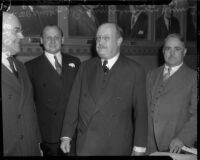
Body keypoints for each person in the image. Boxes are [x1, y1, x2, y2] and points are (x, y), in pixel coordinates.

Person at [60, 23, 148, 156]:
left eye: (106, 38)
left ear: (119, 41)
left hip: (116, 146)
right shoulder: (85, 67)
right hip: (86, 145)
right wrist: (66, 136)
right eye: (98, 38)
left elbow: (141, 113)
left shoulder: (134, 70)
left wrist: (139, 147)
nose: (100, 42)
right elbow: (74, 103)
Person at [25, 25, 80, 156]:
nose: (53, 41)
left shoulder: (75, 62)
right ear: (41, 41)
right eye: (48, 37)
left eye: (56, 37)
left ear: (62, 39)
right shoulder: (30, 67)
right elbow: (29, 106)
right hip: (48, 134)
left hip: (74, 132)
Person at [146, 34, 197, 154]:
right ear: (163, 51)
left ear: (184, 52)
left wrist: (183, 138)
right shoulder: (151, 74)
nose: (172, 53)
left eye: (177, 49)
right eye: (168, 49)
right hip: (148, 145)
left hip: (174, 145)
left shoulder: (194, 77)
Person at [2, 12, 41, 156]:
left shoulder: (21, 66)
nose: (22, 37)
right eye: (16, 31)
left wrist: (37, 143)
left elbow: (30, 107)